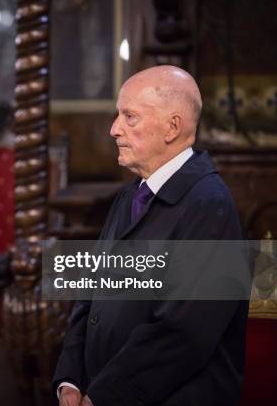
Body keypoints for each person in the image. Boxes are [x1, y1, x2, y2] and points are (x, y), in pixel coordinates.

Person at [52, 65, 248, 405]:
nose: (114, 129)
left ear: (172, 127)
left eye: (130, 117)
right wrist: (70, 379)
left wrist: (102, 397)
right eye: (118, 115)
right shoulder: (131, 195)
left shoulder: (210, 205)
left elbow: (183, 334)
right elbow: (89, 295)